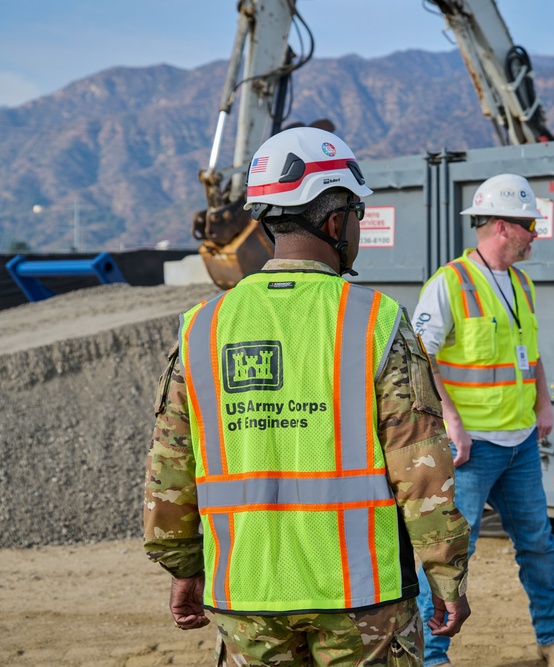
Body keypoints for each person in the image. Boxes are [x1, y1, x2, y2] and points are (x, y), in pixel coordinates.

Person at [143, 126, 471, 666]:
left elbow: (169, 471)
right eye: (358, 216)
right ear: (336, 220)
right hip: (363, 598)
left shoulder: (201, 328)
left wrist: (184, 569)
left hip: (244, 593)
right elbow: (422, 471)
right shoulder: (376, 322)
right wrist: (446, 574)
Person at [409, 174, 554, 667]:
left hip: (520, 443)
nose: (535, 235)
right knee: (451, 556)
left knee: (540, 549)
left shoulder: (521, 283)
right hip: (473, 451)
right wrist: (451, 417)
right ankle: (432, 655)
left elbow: (531, 352)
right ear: (502, 226)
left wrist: (545, 404)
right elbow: (420, 355)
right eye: (529, 225)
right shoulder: (451, 283)